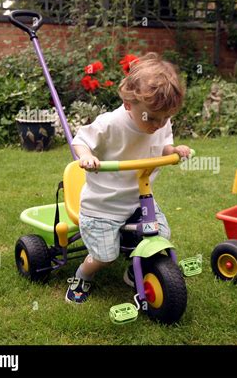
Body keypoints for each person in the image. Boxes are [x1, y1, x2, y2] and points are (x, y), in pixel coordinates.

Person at [65, 52, 191, 303]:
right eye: (152, 118)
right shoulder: (111, 123)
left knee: (160, 234)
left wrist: (174, 151)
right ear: (128, 103)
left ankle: (133, 271)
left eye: (165, 118)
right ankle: (81, 277)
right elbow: (81, 140)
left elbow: (163, 145)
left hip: (138, 200)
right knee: (104, 256)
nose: (159, 124)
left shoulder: (161, 120)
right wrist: (87, 157)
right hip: (104, 205)